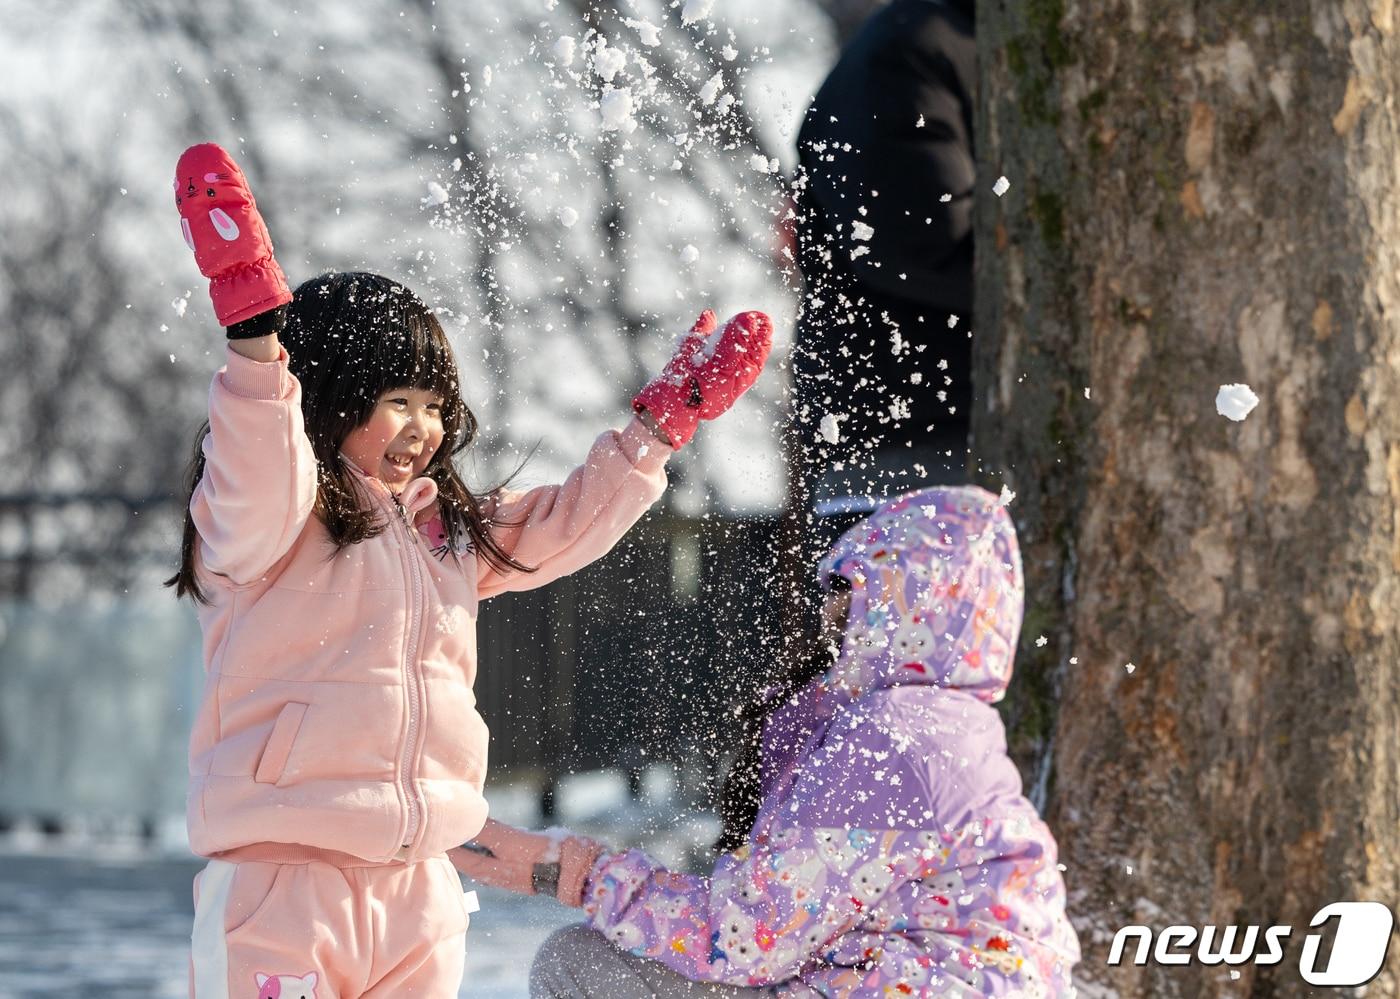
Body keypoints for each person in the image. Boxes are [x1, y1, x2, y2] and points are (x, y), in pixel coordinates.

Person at [166, 142, 772, 998]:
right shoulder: (267, 525)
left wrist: (657, 434)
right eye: (395, 403)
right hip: (286, 877)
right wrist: (256, 338)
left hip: (419, 884)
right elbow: (260, 458)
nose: (421, 426)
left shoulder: (442, 533)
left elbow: (562, 526)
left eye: (433, 404)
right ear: (332, 394)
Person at [452, 485, 1081, 997]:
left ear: (907, 603)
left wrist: (573, 874)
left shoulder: (897, 743)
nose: (829, 614)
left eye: (849, 590)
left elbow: (745, 936)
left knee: (581, 968)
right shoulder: (945, 729)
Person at [789, 0, 976, 545]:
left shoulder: (946, 44)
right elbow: (923, 243)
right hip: (911, 455)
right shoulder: (908, 50)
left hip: (943, 444)